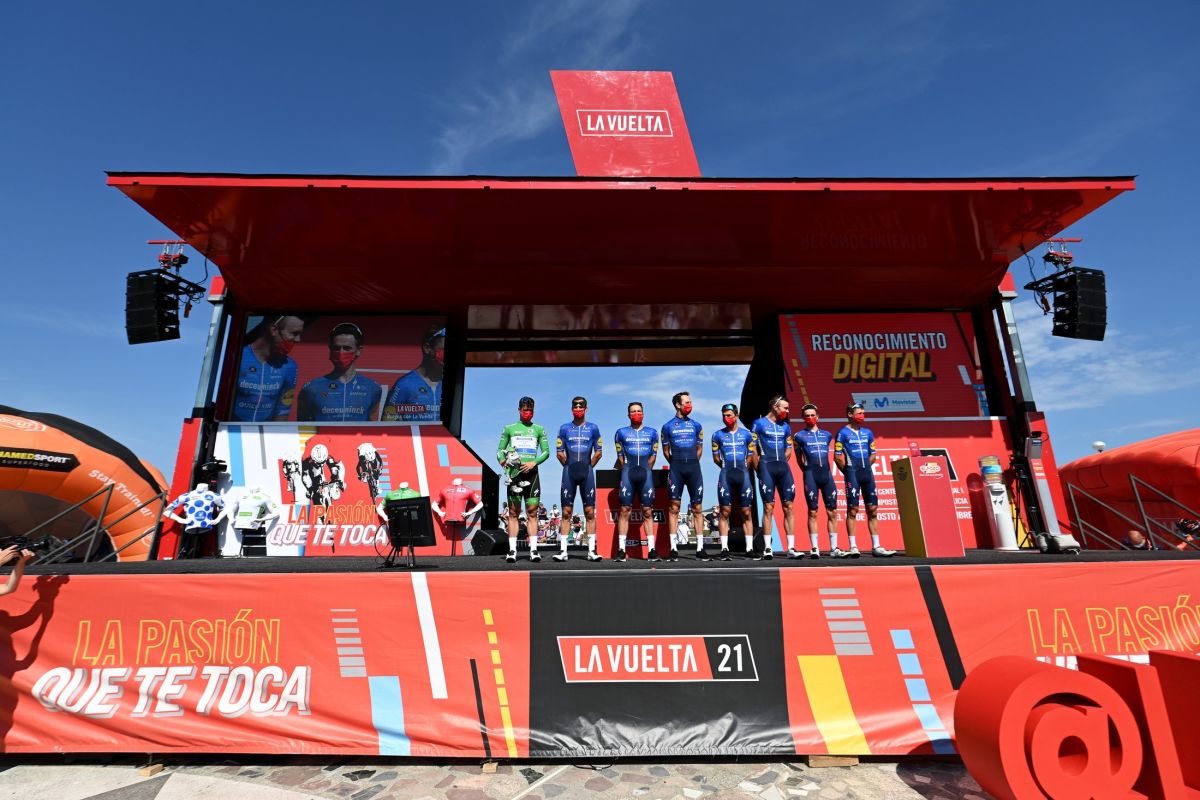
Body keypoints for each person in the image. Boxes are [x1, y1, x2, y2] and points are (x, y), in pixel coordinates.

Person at [835, 403, 896, 558]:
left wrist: (865, 467)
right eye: (859, 413)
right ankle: (853, 546)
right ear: (850, 414)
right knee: (853, 510)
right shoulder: (842, 433)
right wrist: (849, 472)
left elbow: (873, 454)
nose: (862, 415)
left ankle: (876, 546)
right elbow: (837, 457)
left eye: (863, 413)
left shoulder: (868, 432)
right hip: (852, 474)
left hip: (867, 474)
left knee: (873, 509)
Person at [497, 397, 550, 563]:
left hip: (532, 474)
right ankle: (512, 551)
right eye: (525, 410)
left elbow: (546, 452)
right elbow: (499, 451)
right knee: (513, 513)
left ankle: (534, 550)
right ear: (519, 410)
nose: (528, 413)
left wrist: (533, 462)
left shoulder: (539, 429)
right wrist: (503, 462)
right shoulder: (509, 428)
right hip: (515, 475)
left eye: (531, 410)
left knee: (532, 512)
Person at [297, 323, 384, 422]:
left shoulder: (373, 388)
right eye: (336, 348)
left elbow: (371, 425)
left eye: (347, 348)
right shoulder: (310, 388)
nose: (341, 352)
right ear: (330, 349)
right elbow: (301, 427)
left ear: (358, 350)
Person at [556, 397, 603, 562]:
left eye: (581, 406)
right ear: (571, 409)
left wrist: (588, 467)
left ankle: (591, 551)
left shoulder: (593, 428)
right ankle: (563, 551)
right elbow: (559, 453)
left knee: (589, 512)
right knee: (566, 512)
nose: (578, 408)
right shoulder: (564, 428)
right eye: (575, 406)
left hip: (587, 473)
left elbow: (598, 452)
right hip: (569, 472)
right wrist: (569, 466)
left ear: (586, 409)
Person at [708, 403, 758, 561]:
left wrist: (743, 468)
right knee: (725, 512)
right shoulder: (717, 435)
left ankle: (749, 548)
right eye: (723, 415)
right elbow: (716, 458)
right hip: (726, 475)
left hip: (743, 475)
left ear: (736, 416)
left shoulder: (747, 435)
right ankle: (724, 549)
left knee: (746, 512)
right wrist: (727, 468)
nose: (726, 418)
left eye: (729, 415)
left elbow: (750, 456)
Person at [232, 315, 304, 422]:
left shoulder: (290, 366)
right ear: (274, 330)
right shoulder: (238, 357)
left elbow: (283, 411)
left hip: (265, 430)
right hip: (232, 429)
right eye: (294, 333)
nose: (298, 340)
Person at [613, 402, 659, 563]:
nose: (636, 413)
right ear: (628, 415)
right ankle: (621, 550)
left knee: (647, 511)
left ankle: (652, 550)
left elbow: (653, 457)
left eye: (639, 411)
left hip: (645, 473)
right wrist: (628, 469)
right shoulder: (621, 433)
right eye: (633, 411)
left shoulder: (652, 433)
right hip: (628, 473)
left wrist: (645, 470)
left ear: (643, 414)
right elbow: (620, 457)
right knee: (624, 510)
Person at [660, 391, 704, 562]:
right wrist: (677, 463)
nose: (689, 405)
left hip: (694, 468)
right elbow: (666, 451)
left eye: (690, 402)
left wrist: (691, 462)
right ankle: (673, 548)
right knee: (674, 508)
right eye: (686, 402)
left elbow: (699, 449)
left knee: (697, 508)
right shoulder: (667, 426)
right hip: (676, 468)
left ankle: (700, 548)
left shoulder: (697, 425)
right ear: (678, 405)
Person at [751, 395, 795, 560]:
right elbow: (753, 449)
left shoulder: (786, 426)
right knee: (768, 507)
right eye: (785, 408)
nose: (787, 411)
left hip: (783, 468)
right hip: (766, 467)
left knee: (789, 506)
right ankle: (768, 547)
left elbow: (788, 449)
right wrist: (759, 469)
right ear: (775, 407)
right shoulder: (759, 423)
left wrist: (781, 462)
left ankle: (791, 547)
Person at [793, 403, 839, 559]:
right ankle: (814, 547)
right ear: (803, 418)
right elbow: (798, 459)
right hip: (811, 475)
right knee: (813, 511)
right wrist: (807, 471)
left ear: (817, 417)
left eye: (813, 415)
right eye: (807, 416)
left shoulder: (827, 435)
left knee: (832, 511)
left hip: (826, 476)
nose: (810, 418)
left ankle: (834, 548)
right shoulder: (799, 436)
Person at [383, 324, 445, 422]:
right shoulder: (404, 384)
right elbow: (387, 423)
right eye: (444, 349)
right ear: (427, 348)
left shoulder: (454, 387)